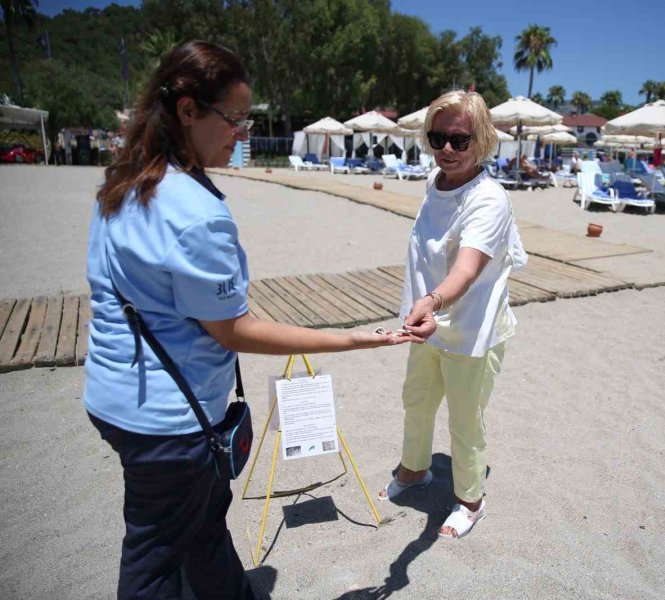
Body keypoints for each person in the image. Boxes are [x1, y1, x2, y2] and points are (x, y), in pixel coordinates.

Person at [84, 41, 418, 600]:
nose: (241, 133)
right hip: (171, 421)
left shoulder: (125, 181)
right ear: (188, 110)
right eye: (233, 119)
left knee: (197, 527)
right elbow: (232, 329)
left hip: (114, 394)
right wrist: (354, 338)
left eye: (247, 120)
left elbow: (173, 300)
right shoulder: (195, 211)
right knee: (154, 556)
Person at [376, 90, 527, 540]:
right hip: (425, 325)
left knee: (465, 419)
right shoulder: (433, 181)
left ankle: (471, 499)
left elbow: (468, 265)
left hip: (472, 330)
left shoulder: (489, 199)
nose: (446, 148)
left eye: (459, 140)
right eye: (438, 137)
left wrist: (434, 301)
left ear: (481, 141)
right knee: (417, 402)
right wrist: (422, 307)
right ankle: (413, 470)